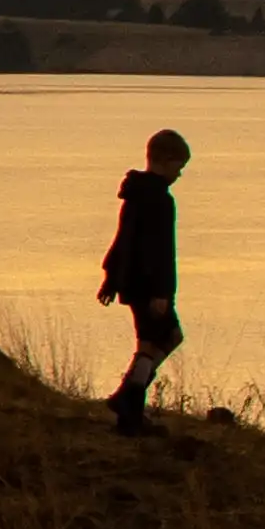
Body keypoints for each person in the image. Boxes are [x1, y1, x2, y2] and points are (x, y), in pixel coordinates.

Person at [97, 127, 192, 430]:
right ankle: (129, 401)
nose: (180, 174)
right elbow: (160, 251)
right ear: (164, 161)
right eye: (179, 166)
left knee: (152, 341)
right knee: (161, 339)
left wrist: (111, 278)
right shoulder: (160, 200)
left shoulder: (136, 194)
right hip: (151, 287)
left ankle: (128, 401)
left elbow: (123, 239)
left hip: (132, 281)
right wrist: (162, 293)